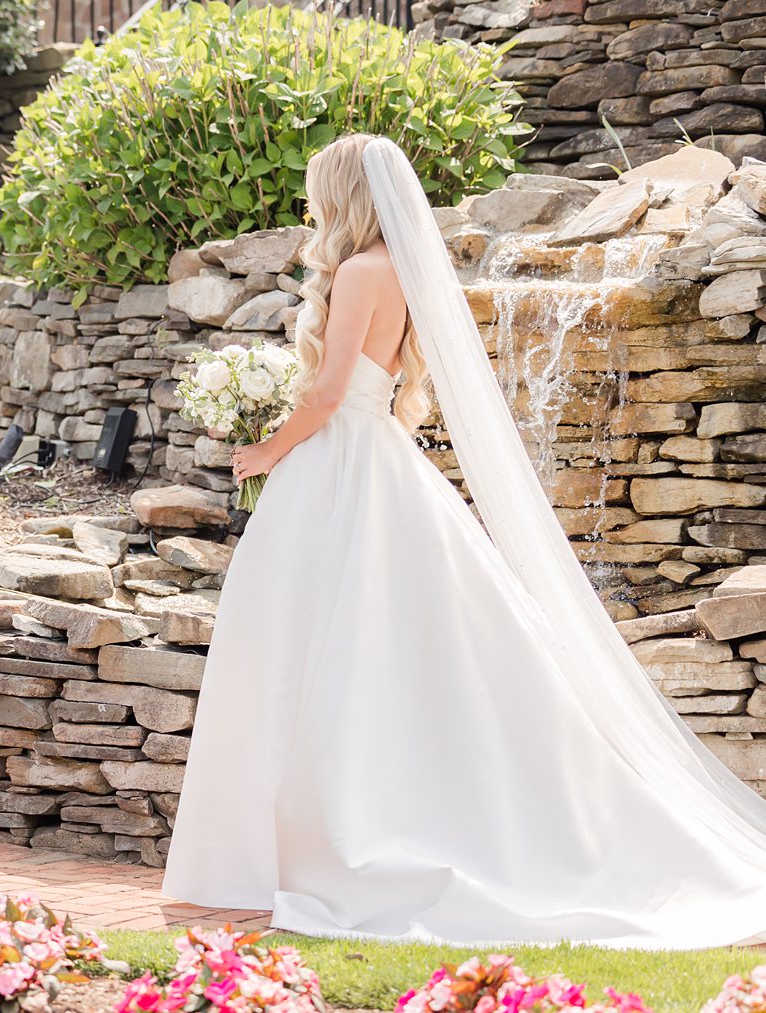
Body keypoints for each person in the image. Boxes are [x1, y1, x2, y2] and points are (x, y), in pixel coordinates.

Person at [161, 133, 766, 948]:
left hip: (339, 463)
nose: (311, 208)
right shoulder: (399, 269)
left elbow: (334, 389)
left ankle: (293, 844)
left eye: (317, 191)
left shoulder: (356, 273)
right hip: (376, 461)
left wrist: (265, 448)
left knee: (300, 642)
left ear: (343, 195)